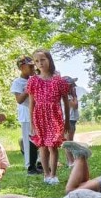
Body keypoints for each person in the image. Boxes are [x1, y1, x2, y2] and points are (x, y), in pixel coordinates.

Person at [27, 50, 71, 184]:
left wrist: (67, 121)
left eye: (43, 60)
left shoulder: (59, 81)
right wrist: (32, 122)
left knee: (53, 145)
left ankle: (53, 175)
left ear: (49, 60)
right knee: (42, 146)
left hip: (54, 116)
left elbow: (66, 102)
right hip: (39, 116)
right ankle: (46, 174)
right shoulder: (33, 81)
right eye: (37, 61)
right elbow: (31, 103)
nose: (40, 63)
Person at [10, 56, 40, 175]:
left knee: (39, 139)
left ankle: (39, 162)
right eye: (30, 66)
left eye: (34, 66)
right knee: (29, 141)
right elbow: (19, 100)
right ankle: (30, 166)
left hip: (38, 114)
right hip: (26, 116)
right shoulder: (18, 82)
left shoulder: (36, 79)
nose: (33, 68)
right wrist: (28, 89)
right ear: (22, 67)